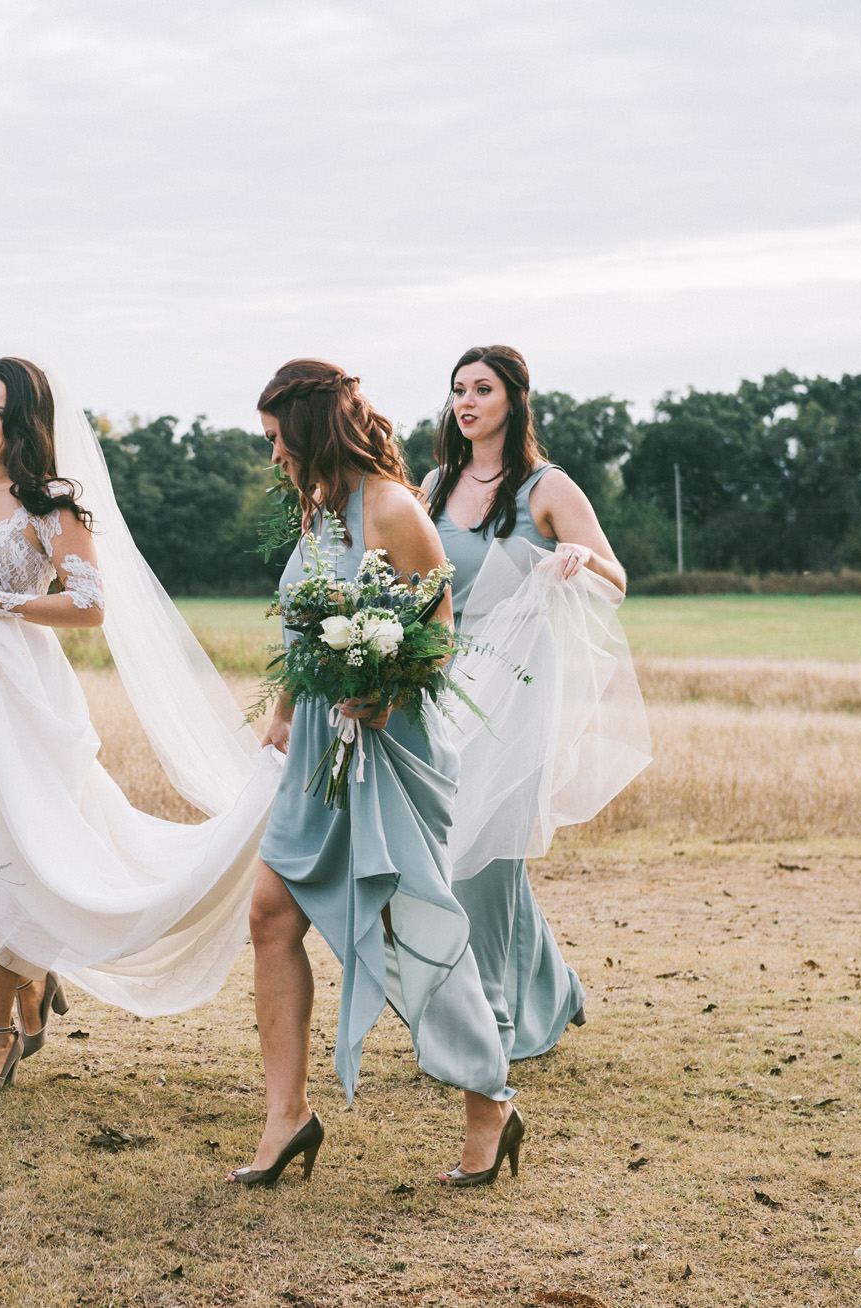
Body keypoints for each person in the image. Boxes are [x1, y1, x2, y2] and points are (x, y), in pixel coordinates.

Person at [0, 357, 283, 1092]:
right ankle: (32, 975)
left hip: (17, 697)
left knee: (1, 852)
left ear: (27, 422)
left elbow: (91, 606)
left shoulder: (49, 501)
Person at [236, 359, 521, 1192]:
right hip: (320, 750)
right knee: (268, 917)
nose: (273, 457)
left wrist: (389, 690)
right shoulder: (319, 511)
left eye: (276, 439)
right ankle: (286, 1116)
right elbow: (309, 621)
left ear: (310, 427)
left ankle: (488, 1103)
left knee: (408, 926)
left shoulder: (394, 509)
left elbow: (438, 629)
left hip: (385, 751)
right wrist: (288, 707)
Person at [418, 345, 647, 1063]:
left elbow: (616, 579)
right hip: (447, 680)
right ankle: (553, 987)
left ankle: (491, 1025)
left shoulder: (547, 487)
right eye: (458, 389)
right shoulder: (433, 484)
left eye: (482, 389)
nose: (466, 402)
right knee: (457, 846)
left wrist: (579, 563)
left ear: (514, 400)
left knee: (487, 849)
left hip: (519, 683)